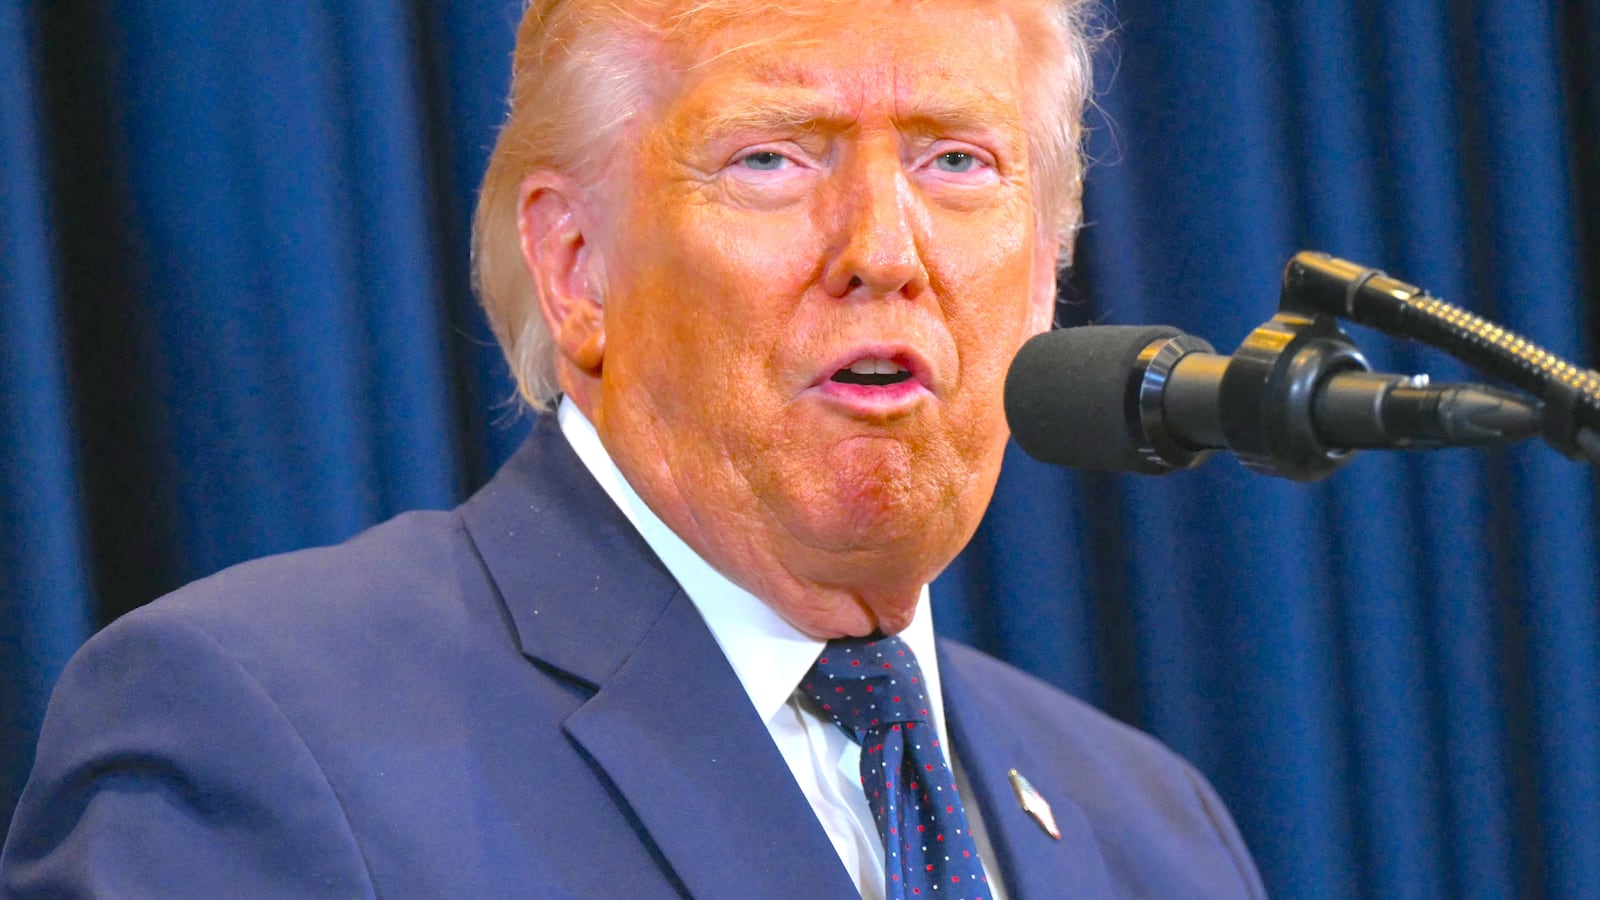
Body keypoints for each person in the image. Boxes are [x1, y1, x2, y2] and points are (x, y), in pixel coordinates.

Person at [2, 0, 1266, 896]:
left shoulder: (1154, 830)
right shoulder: (261, 732)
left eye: (956, 161)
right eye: (772, 158)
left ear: (1046, 277)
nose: (885, 248)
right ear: (575, 269)